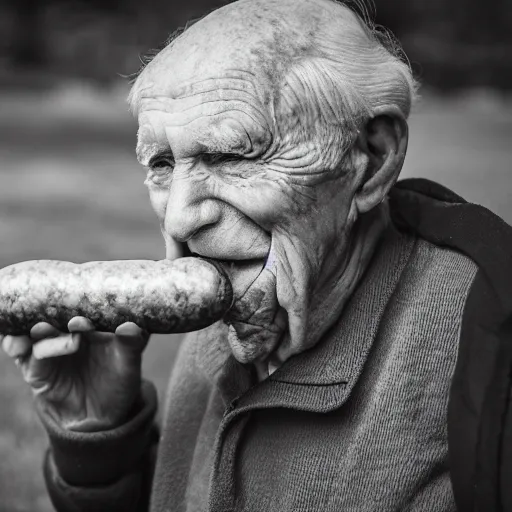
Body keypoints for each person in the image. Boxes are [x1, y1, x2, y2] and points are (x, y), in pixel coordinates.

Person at [2, 0, 512, 511]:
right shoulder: (227, 312)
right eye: (161, 164)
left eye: (228, 155)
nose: (179, 218)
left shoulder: (487, 347)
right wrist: (100, 441)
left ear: (371, 159)